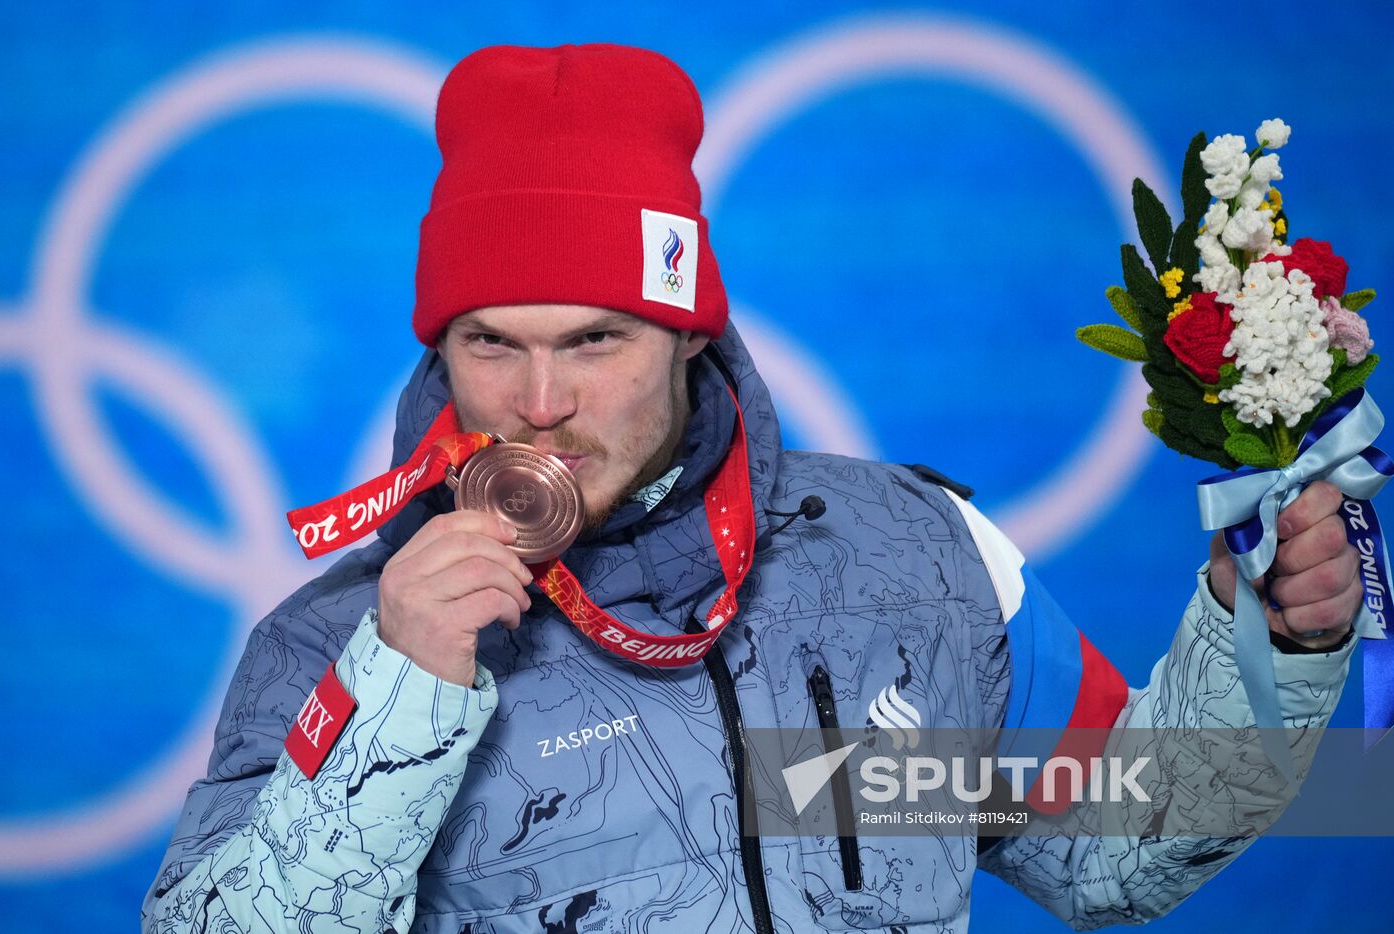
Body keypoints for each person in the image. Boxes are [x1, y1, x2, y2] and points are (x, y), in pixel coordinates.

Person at [143, 42, 1363, 933]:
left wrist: (1271, 642)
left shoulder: (911, 554)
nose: (538, 402)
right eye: (490, 343)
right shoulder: (338, 642)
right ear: (437, 351)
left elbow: (1116, 849)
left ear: (688, 334)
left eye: (596, 341)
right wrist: (398, 698)